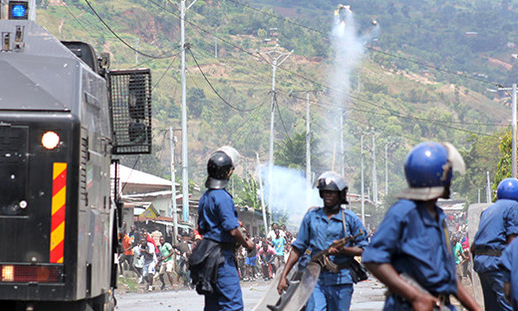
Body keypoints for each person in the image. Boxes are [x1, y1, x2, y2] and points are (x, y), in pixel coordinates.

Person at [362, 142, 481, 311]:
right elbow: (372, 259)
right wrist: (415, 296)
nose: (450, 181)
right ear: (437, 177)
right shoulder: (403, 212)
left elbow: (450, 277)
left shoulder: (438, 216)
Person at [277, 171, 368, 311]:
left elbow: (364, 248)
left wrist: (343, 250)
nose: (327, 195)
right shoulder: (311, 217)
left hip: (341, 279)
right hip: (314, 280)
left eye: (332, 192)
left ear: (340, 194)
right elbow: (297, 248)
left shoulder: (350, 219)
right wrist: (284, 276)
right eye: (325, 192)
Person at [191, 146, 255, 311]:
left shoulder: (206, 197)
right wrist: (248, 245)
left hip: (207, 256)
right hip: (221, 257)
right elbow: (233, 230)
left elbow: (203, 227)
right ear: (228, 172)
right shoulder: (223, 197)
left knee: (213, 305)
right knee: (232, 304)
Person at [472, 177, 518, 310]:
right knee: (508, 305)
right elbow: (512, 241)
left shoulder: (488, 211)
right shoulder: (514, 207)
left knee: (492, 307)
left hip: (481, 263)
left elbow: (473, 247)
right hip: (496, 262)